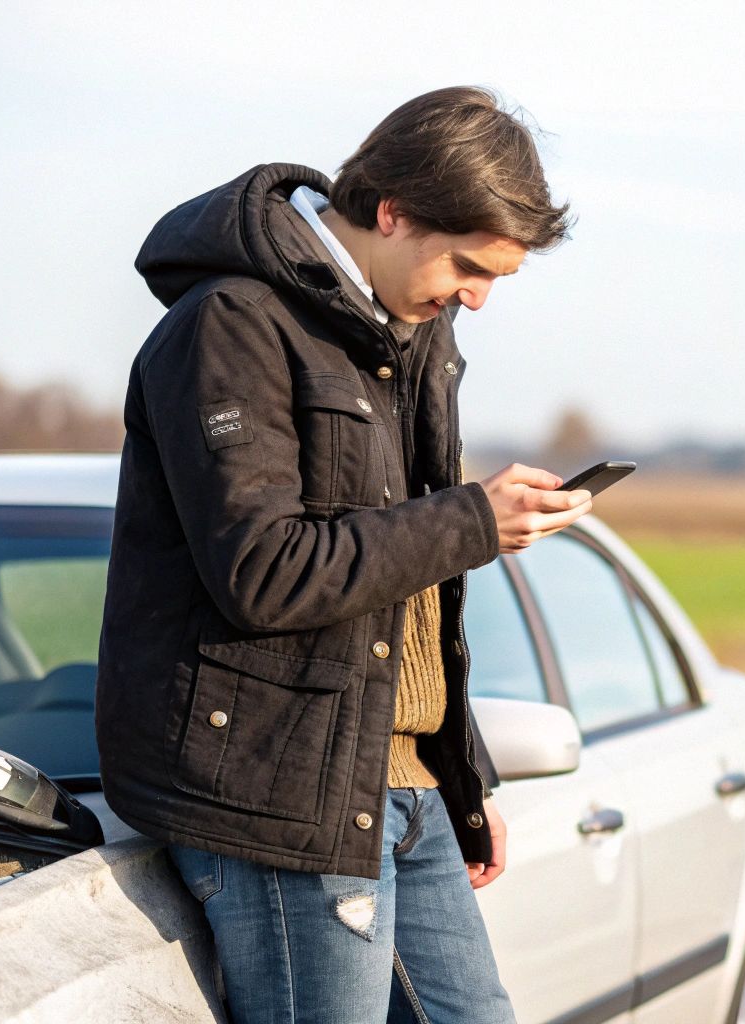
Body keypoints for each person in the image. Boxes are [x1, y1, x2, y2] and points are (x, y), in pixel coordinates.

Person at [94, 85, 590, 1023]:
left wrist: (464, 780)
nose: (477, 299)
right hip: (282, 798)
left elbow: (406, 603)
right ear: (393, 211)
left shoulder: (413, 335)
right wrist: (474, 521)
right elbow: (265, 572)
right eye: (469, 267)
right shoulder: (230, 326)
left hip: (401, 786)